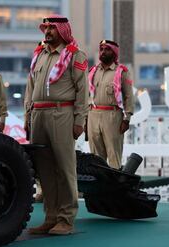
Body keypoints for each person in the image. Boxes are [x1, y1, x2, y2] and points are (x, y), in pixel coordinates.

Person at [24, 14, 88, 235]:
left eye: (52, 27)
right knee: (44, 170)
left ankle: (66, 219)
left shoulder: (74, 55)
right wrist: (27, 116)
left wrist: (80, 121)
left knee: (64, 167)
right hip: (38, 114)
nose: (48, 31)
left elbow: (82, 91)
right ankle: (50, 218)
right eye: (46, 27)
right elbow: (30, 88)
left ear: (62, 30)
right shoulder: (38, 55)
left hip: (62, 113)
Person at [87, 40, 134, 169]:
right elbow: (87, 96)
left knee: (114, 155)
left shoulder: (121, 72)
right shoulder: (93, 72)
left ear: (114, 53)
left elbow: (128, 97)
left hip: (112, 116)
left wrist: (127, 119)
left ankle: (114, 187)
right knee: (95, 157)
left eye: (107, 49)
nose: (103, 52)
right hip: (93, 115)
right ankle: (99, 187)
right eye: (101, 49)